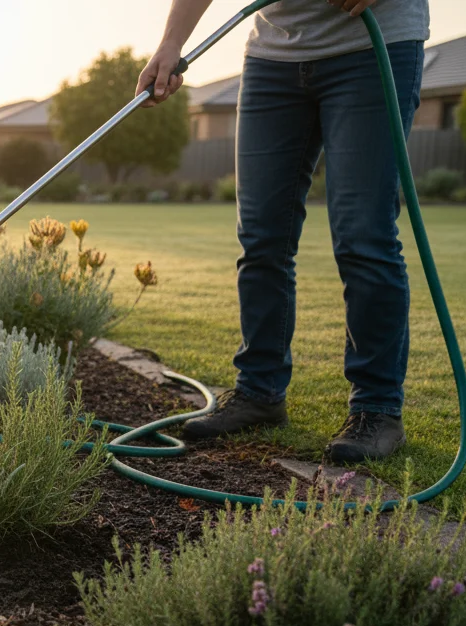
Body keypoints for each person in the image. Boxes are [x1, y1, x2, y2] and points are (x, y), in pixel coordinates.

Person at [137, 0, 429, 463]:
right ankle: (260, 393)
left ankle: (378, 409)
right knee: (261, 238)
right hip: (273, 58)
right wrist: (170, 43)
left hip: (374, 46)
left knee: (363, 237)